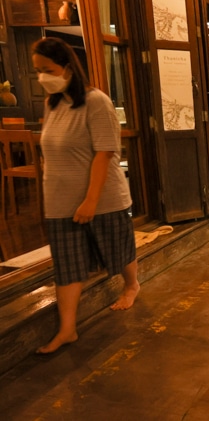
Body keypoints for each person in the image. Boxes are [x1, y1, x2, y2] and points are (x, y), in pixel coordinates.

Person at [32, 37, 140, 354]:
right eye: (37, 71)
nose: (41, 77)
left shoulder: (96, 101)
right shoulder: (52, 104)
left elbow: (105, 152)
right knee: (67, 265)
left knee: (117, 249)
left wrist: (90, 200)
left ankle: (132, 284)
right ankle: (67, 330)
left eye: (47, 70)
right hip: (59, 201)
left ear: (67, 67)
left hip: (102, 197)